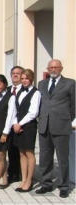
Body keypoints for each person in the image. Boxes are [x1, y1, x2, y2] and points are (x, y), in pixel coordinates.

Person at [35, 59, 75, 198]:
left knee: (62, 158)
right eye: (51, 67)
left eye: (56, 67)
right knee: (45, 157)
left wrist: (66, 119)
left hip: (61, 125)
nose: (53, 70)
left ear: (61, 68)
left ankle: (64, 186)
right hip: (44, 125)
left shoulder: (70, 83)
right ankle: (46, 183)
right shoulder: (42, 84)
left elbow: (73, 106)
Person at [12, 69, 41, 192]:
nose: (24, 80)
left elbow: (33, 112)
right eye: (22, 78)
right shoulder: (19, 91)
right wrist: (15, 124)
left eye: (26, 78)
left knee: (29, 153)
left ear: (32, 79)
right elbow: (14, 109)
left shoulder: (36, 93)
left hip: (29, 126)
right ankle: (23, 179)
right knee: (21, 153)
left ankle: (29, 181)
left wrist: (20, 124)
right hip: (18, 126)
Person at [6, 66, 24, 184]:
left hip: (22, 126)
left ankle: (24, 173)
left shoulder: (27, 89)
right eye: (13, 73)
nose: (15, 75)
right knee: (11, 150)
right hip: (8, 125)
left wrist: (20, 123)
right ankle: (12, 173)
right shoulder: (6, 89)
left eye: (18, 73)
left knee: (23, 151)